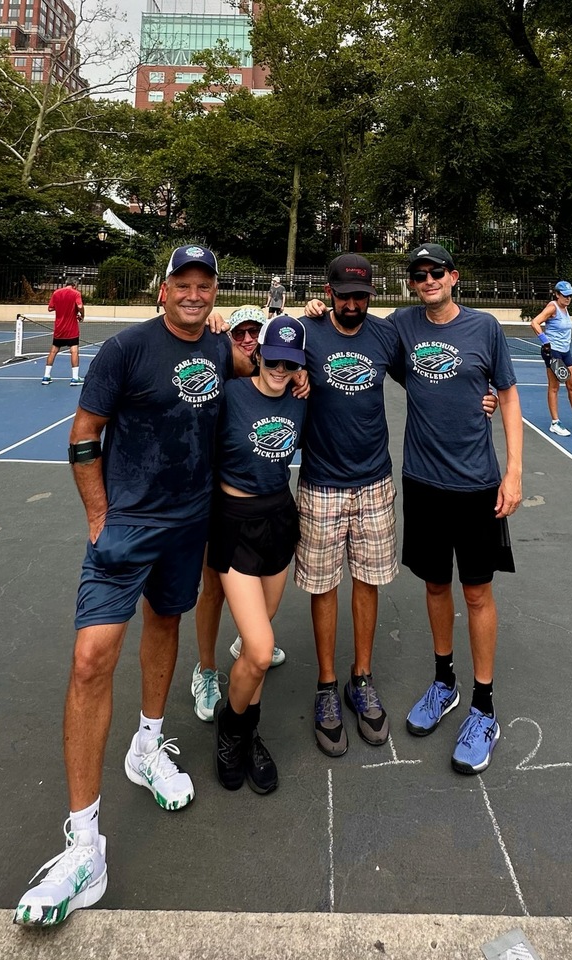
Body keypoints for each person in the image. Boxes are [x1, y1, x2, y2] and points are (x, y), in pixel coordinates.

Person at [14, 245, 232, 927]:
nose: (193, 295)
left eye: (205, 286)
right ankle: (85, 846)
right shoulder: (125, 351)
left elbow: (268, 370)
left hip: (188, 524)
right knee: (91, 660)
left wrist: (300, 342)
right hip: (126, 529)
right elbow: (84, 437)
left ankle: (148, 744)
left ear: (213, 291)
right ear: (163, 289)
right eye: (183, 284)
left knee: (165, 625)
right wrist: (99, 513)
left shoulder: (224, 351)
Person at [301, 254, 499, 762]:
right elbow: (254, 355)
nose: (351, 303)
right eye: (342, 294)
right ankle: (327, 685)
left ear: (371, 295)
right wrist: (223, 318)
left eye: (360, 295)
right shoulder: (307, 331)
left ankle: (360, 679)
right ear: (328, 291)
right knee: (325, 586)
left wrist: (479, 395)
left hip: (377, 481)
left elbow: (430, 376)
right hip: (322, 482)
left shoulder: (386, 335)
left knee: (369, 581)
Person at [389, 243, 523, 775]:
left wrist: (513, 472)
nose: (427, 280)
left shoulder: (485, 329)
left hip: (475, 485)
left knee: (477, 591)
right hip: (423, 483)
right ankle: (443, 683)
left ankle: (484, 706)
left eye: (435, 272)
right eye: (418, 274)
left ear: (454, 276)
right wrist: (309, 311)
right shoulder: (401, 326)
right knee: (435, 585)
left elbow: (508, 396)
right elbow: (354, 337)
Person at [209, 315, 307, 794]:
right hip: (233, 524)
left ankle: (248, 732)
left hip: (279, 522)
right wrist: (211, 329)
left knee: (256, 647)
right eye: (273, 358)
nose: (280, 368)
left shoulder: (301, 400)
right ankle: (231, 731)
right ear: (257, 353)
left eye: (291, 362)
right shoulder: (230, 394)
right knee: (263, 650)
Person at [191, 305, 288, 724]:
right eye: (239, 334)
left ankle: (250, 641)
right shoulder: (219, 383)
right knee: (212, 587)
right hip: (215, 500)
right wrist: (212, 325)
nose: (248, 340)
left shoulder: (278, 382)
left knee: (258, 599)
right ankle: (207, 669)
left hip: (266, 509)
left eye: (255, 333)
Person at [530, 280, 572, 437]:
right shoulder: (552, 307)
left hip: (565, 352)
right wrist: (545, 341)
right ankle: (555, 423)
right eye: (565, 296)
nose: (568, 298)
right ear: (557, 294)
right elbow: (535, 323)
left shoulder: (565, 309)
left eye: (570, 296)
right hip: (553, 352)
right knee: (554, 386)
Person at [41, 279, 86, 386]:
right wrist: (82, 315)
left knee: (53, 351)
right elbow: (80, 306)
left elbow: (50, 308)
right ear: (74, 285)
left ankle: (46, 376)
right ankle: (75, 378)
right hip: (71, 328)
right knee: (74, 350)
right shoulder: (76, 293)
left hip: (59, 328)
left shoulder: (56, 293)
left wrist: (62, 307)